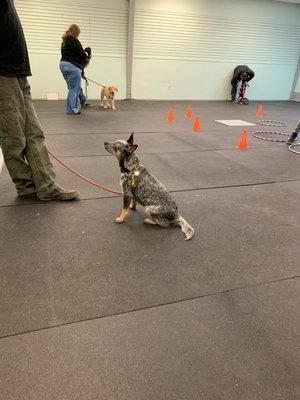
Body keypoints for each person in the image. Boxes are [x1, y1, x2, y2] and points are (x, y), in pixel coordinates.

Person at [0, 0, 79, 200]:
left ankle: (47, 186)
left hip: (19, 73)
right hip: (4, 75)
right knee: (14, 138)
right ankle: (25, 186)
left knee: (35, 133)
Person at [60, 24, 91, 115]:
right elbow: (82, 56)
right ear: (76, 33)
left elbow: (72, 55)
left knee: (72, 88)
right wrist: (87, 53)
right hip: (72, 66)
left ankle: (82, 101)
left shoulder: (64, 41)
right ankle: (72, 109)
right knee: (74, 88)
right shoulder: (74, 40)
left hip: (63, 65)